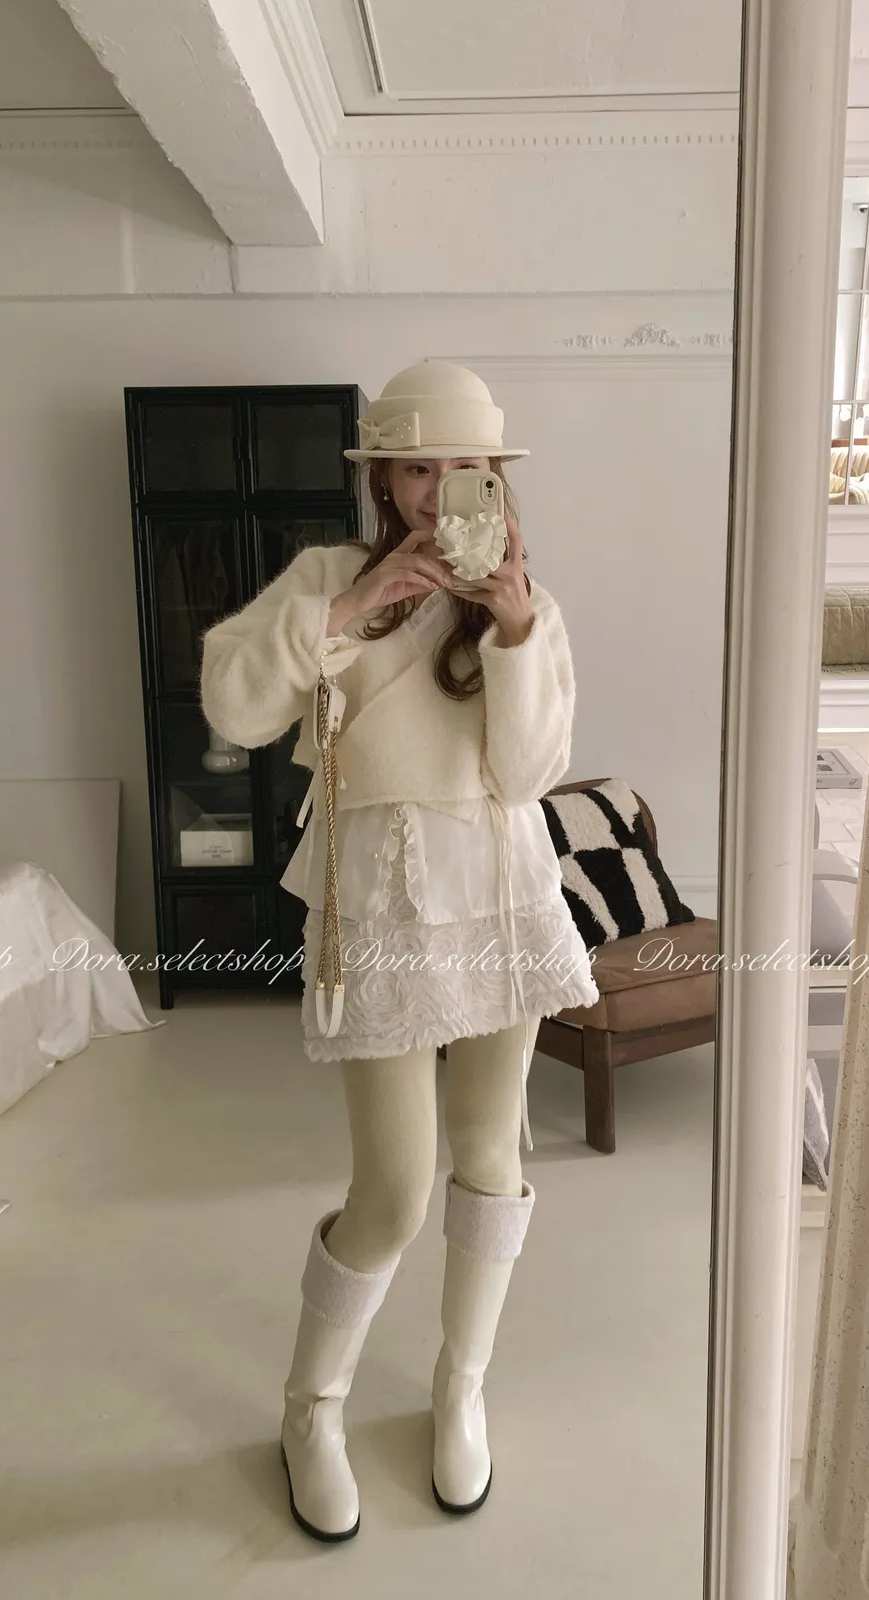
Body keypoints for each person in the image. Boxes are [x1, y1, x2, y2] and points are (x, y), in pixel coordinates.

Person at [200, 359, 599, 1543]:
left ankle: (460, 1386)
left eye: (462, 467)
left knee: (491, 1154)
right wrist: (354, 607)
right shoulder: (329, 577)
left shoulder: (524, 600)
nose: (436, 490)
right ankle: (311, 1405)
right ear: (381, 476)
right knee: (392, 1189)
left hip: (501, 893)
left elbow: (527, 776)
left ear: (495, 479)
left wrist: (514, 627)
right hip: (382, 901)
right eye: (415, 467)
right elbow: (233, 705)